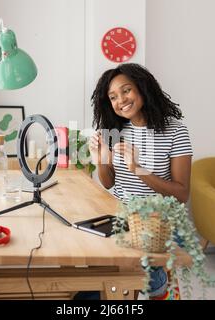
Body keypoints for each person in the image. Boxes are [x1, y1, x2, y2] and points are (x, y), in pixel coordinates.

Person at [85, 63, 193, 300]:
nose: (120, 100)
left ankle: (158, 283)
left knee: (133, 275)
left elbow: (182, 193)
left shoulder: (175, 131)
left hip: (159, 223)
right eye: (113, 97)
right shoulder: (115, 130)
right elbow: (109, 183)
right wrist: (100, 158)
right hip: (123, 218)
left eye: (126, 90)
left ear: (143, 88)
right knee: (96, 279)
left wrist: (139, 169)